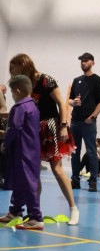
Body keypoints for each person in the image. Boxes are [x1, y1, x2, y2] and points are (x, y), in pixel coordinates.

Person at [8, 54, 79, 226]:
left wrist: (63, 125)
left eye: (14, 68)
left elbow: (61, 103)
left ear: (23, 65)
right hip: (33, 128)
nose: (12, 72)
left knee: (57, 168)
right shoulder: (24, 84)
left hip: (51, 126)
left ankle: (73, 208)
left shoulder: (46, 80)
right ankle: (35, 213)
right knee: (33, 171)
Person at [0, 75, 44, 230]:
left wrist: (5, 143)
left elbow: (14, 128)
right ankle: (15, 211)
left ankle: (35, 217)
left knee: (28, 184)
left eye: (12, 93)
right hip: (31, 151)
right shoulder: (33, 106)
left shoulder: (19, 107)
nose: (12, 96)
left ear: (18, 91)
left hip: (22, 151)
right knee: (21, 181)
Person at [69, 53, 100, 192]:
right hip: (75, 121)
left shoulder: (98, 81)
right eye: (81, 61)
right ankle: (75, 180)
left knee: (91, 152)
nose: (83, 63)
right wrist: (73, 102)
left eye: (86, 61)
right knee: (74, 152)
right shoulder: (76, 80)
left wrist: (93, 117)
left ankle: (93, 181)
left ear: (92, 63)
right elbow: (70, 99)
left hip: (88, 123)